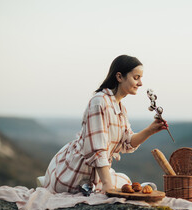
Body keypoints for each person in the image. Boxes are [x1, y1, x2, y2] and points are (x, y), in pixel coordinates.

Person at [42, 55, 168, 194]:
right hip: (78, 174)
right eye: (136, 77)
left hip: (98, 173)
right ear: (119, 77)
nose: (140, 83)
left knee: (126, 182)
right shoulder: (99, 102)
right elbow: (97, 149)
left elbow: (127, 142)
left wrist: (150, 130)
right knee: (121, 188)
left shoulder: (120, 108)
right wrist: (107, 185)